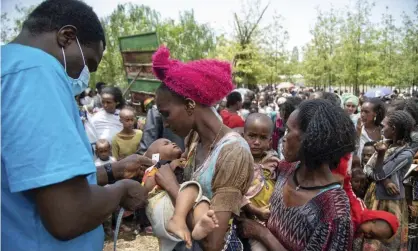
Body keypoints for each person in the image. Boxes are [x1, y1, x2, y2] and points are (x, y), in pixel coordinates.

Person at [1, 1, 152, 251]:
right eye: (88, 64)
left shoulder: (9, 66)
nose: (85, 75)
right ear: (67, 37)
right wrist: (122, 190)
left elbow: (35, 179)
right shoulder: (34, 73)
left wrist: (113, 172)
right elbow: (67, 215)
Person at [150, 46, 253, 251]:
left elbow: (213, 242)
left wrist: (171, 186)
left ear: (189, 105)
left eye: (166, 114)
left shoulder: (233, 153)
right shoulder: (194, 138)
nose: (166, 124)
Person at [238, 99, 354, 251]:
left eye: (288, 131)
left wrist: (262, 234)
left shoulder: (334, 211)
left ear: (311, 139)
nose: (283, 138)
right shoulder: (284, 170)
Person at [142, 139, 219, 249]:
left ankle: (199, 225)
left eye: (171, 141)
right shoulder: (157, 167)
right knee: (192, 187)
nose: (173, 143)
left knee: (201, 200)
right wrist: (169, 166)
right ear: (155, 157)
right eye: (166, 144)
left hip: (166, 218)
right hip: (160, 205)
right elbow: (148, 187)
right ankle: (178, 219)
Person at [362, 111, 414, 251]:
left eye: (384, 126)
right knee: (369, 235)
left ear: (394, 129)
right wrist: (386, 181)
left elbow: (377, 175)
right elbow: (367, 168)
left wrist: (380, 156)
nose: (381, 128)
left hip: (390, 201)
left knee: (386, 240)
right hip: (374, 195)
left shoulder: (406, 153)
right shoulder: (385, 144)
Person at [242, 113, 279, 251]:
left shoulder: (274, 161)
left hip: (270, 218)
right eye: (252, 136)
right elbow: (233, 191)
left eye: (263, 138)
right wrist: (253, 209)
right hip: (245, 218)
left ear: (270, 141)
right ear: (243, 136)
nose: (257, 142)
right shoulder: (238, 160)